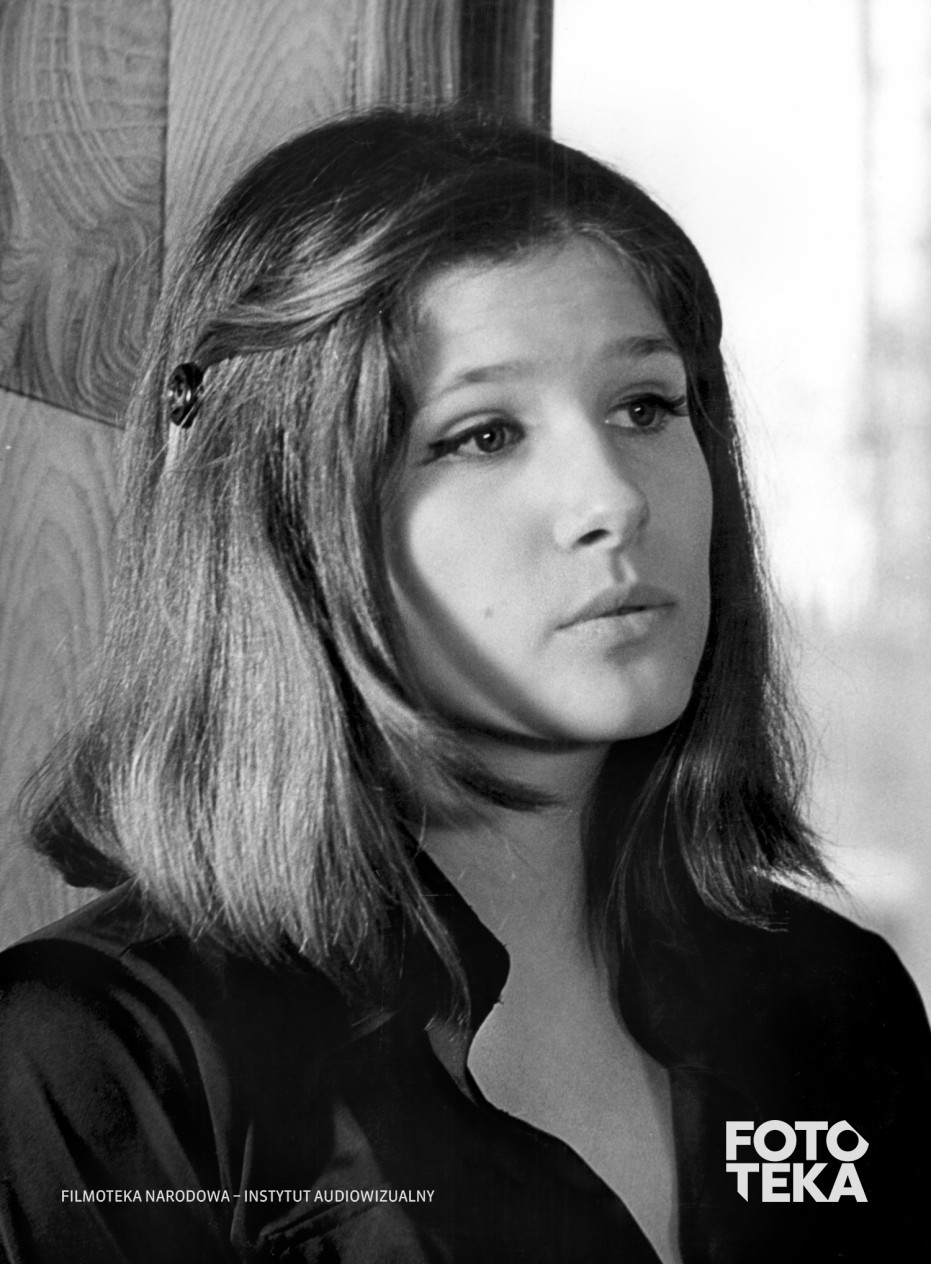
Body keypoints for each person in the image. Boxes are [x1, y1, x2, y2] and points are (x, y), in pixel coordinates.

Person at [0, 109, 928, 1264]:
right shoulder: (100, 1055)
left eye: (644, 406)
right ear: (287, 516)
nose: (614, 498)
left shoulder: (838, 1004)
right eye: (484, 434)